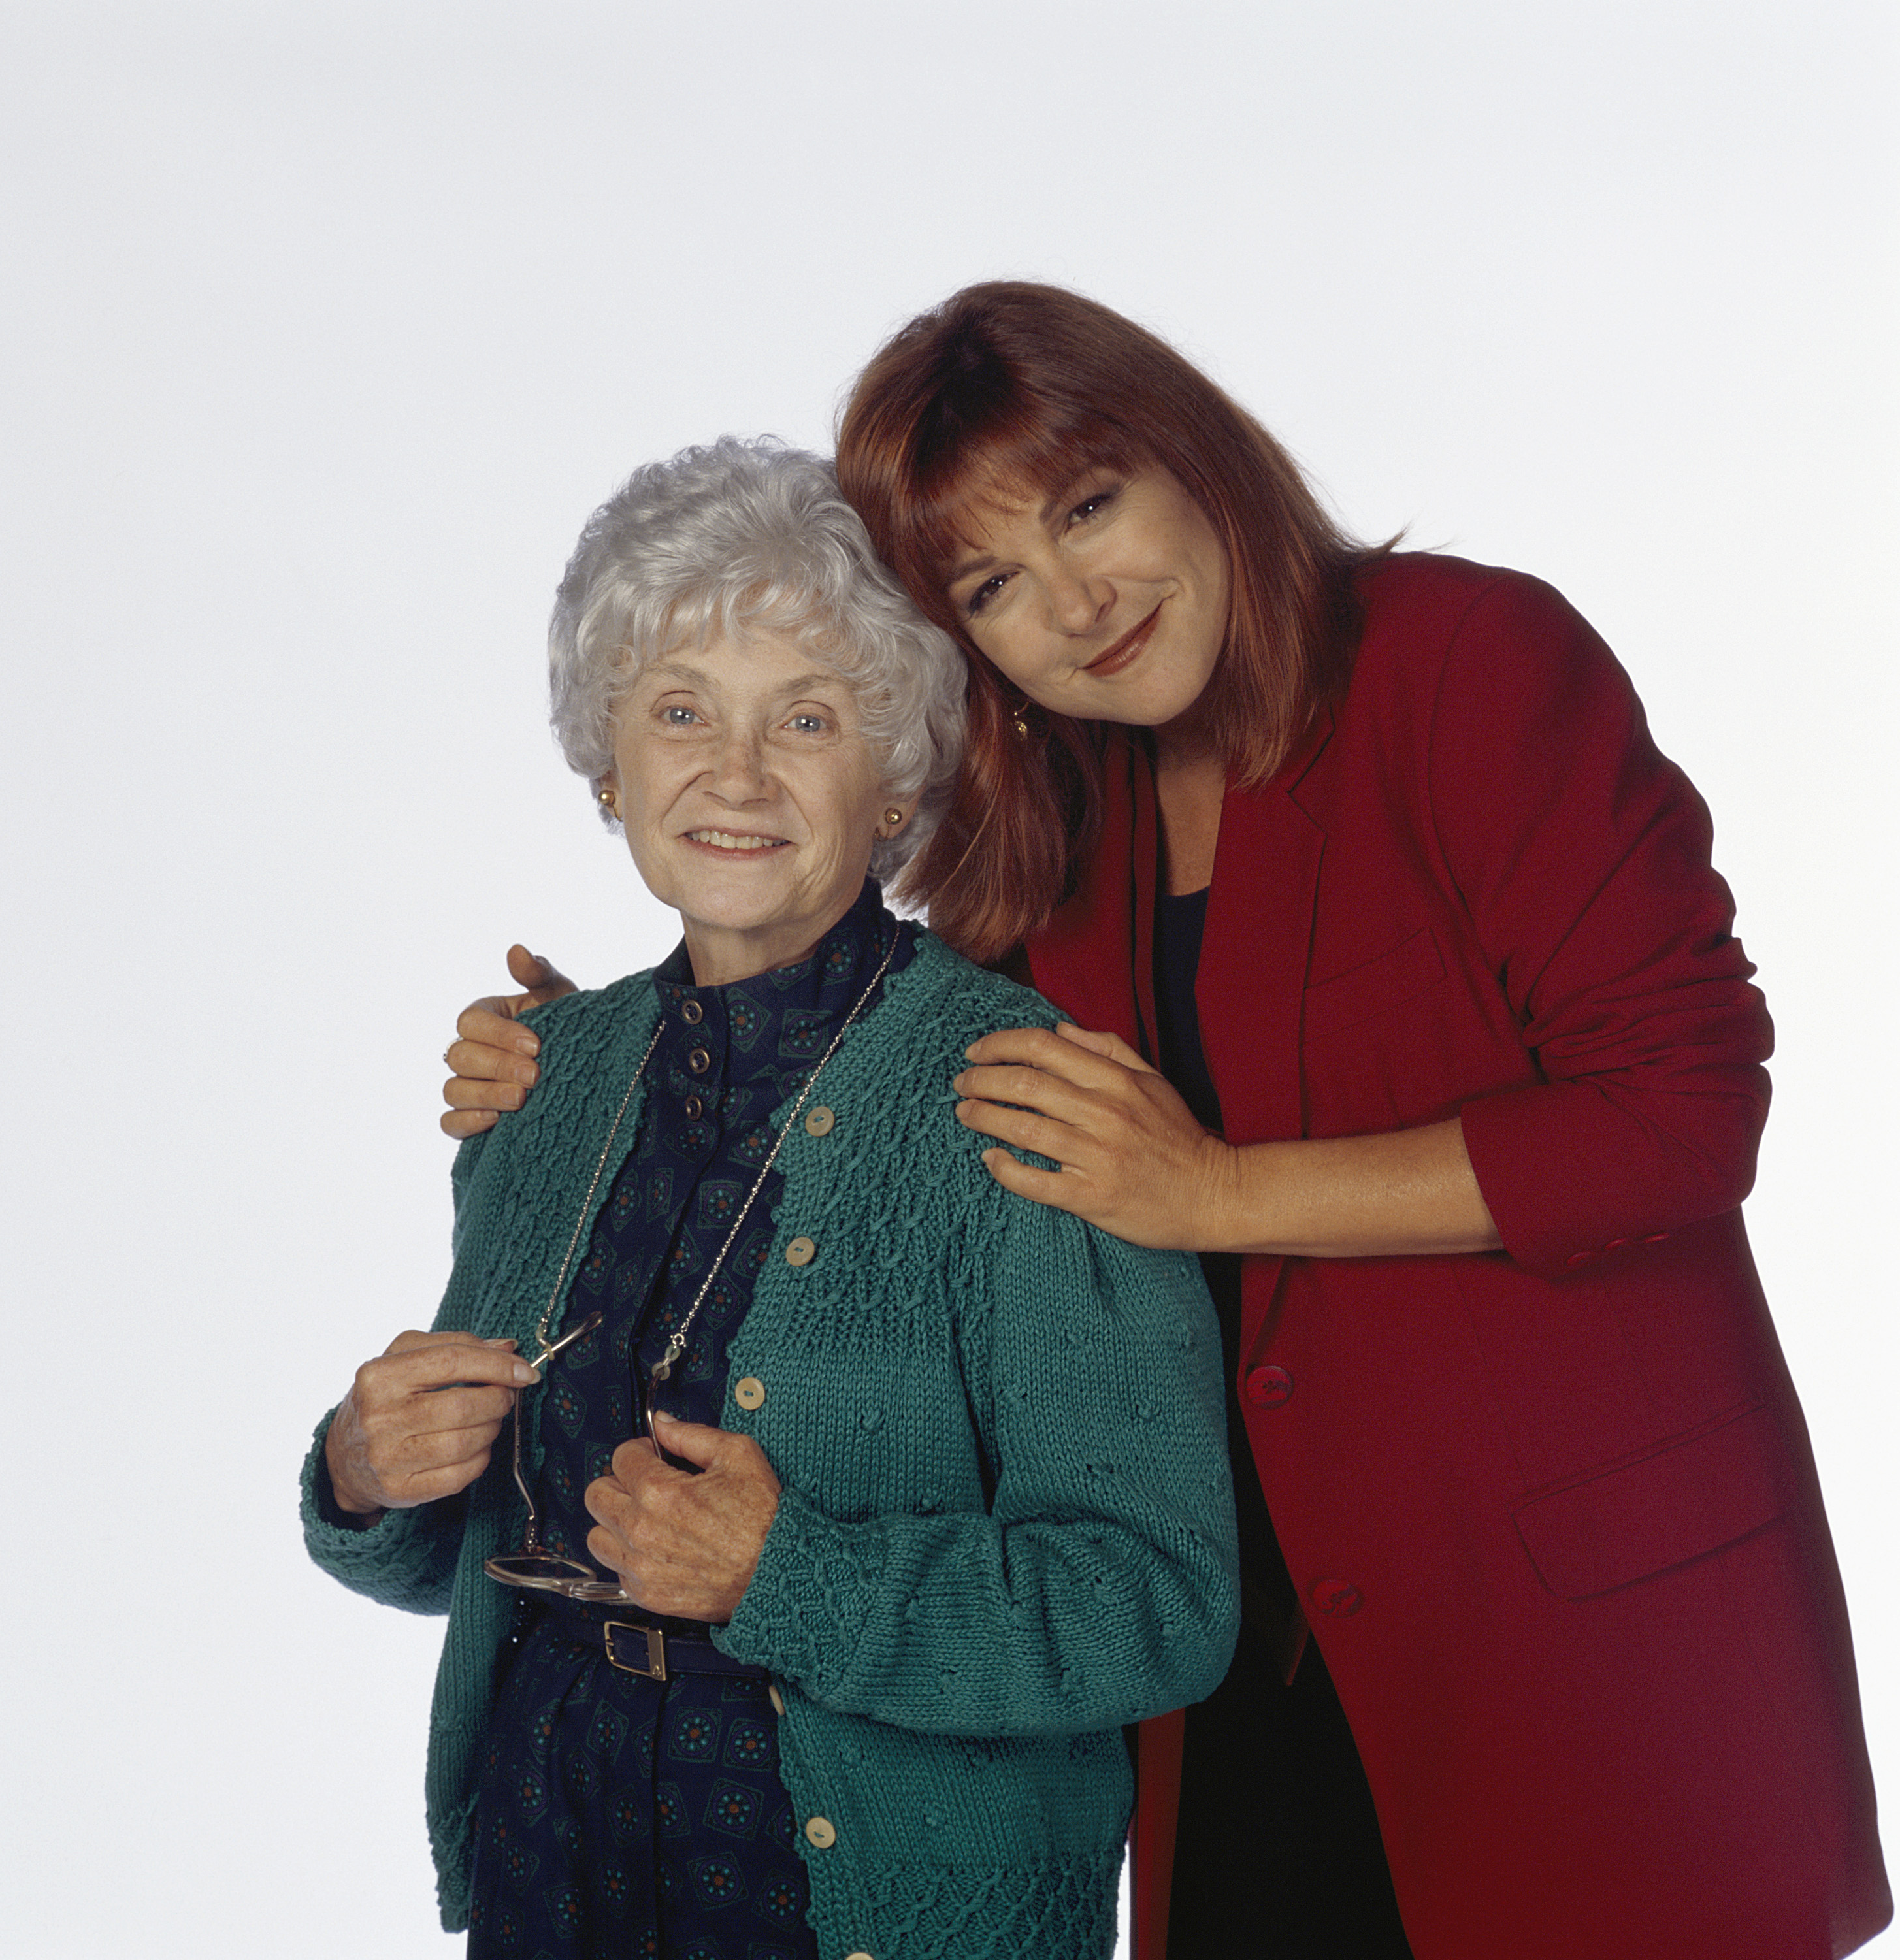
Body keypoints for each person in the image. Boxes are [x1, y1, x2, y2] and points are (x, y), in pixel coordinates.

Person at [444, 288, 1892, 1960]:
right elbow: (862, 1043)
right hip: (1243, 1691)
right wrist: (599, 1057)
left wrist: (1214, 1192)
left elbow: (1680, 1112)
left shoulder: (1468, 662)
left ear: (1189, 456)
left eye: (1085, 507)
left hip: (1567, 1649)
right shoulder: (1047, 833)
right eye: (990, 585)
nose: (1076, 603)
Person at [307, 436, 1240, 1960]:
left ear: (893, 781)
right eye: (681, 713)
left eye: (806, 719)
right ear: (610, 770)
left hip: (871, 1909)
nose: (733, 776)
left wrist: (786, 1575)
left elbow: (1156, 1602)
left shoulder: (1022, 1095)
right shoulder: (541, 1086)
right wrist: (363, 1469)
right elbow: (477, 1543)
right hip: (554, 1868)